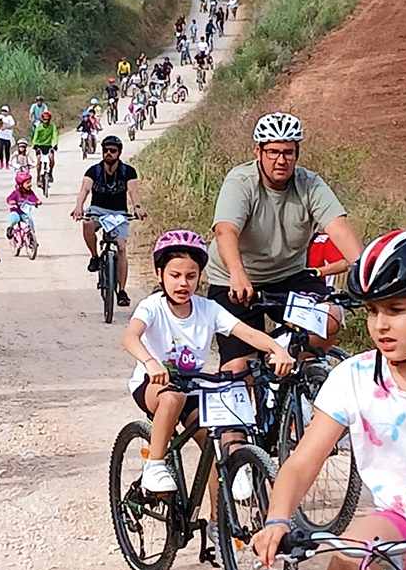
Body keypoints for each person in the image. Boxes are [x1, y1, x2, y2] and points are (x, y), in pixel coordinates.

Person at [253, 229, 406, 570]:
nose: (381, 325)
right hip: (400, 518)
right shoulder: (354, 376)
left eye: (395, 309)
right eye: (372, 311)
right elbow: (301, 463)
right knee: (351, 563)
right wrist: (278, 518)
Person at [123, 231, 293, 543]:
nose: (182, 283)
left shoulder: (207, 308)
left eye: (191, 276)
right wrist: (149, 362)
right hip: (154, 385)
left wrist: (276, 349)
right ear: (160, 275)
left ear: (200, 277)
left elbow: (246, 332)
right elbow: (130, 336)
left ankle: (218, 522)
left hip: (193, 389)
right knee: (172, 396)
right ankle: (154, 465)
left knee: (217, 447)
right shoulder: (152, 307)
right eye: (175, 275)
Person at [206, 112, 363, 377]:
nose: (281, 160)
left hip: (288, 277)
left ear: (296, 154)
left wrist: (367, 276)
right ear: (258, 152)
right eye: (273, 152)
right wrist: (237, 273)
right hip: (235, 281)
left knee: (330, 318)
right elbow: (226, 230)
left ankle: (291, 373)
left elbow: (339, 228)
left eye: (288, 152)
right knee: (239, 368)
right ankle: (259, 366)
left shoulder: (309, 184)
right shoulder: (241, 182)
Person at [71, 135, 146, 307]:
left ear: (119, 153)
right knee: (87, 223)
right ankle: (95, 256)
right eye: (106, 150)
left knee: (121, 248)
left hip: (119, 213)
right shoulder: (94, 171)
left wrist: (138, 207)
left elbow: (133, 191)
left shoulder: (128, 171)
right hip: (98, 210)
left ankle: (122, 290)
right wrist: (79, 206)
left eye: (113, 151)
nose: (109, 154)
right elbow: (85, 189)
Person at [6, 171, 41, 239]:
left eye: (30, 182)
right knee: (15, 219)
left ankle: (32, 236)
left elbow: (34, 198)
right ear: (21, 185)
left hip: (24, 213)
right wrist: (11, 201)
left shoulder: (30, 193)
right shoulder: (16, 193)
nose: (30, 184)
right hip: (16, 211)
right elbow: (9, 198)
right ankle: (10, 228)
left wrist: (37, 201)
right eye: (27, 183)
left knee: (29, 221)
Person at [31, 110, 58, 186]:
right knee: (39, 161)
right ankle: (38, 176)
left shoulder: (52, 126)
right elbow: (35, 136)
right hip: (39, 145)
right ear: (42, 120)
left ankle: (50, 172)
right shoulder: (39, 127)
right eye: (44, 119)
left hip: (48, 145)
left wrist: (55, 144)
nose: (46, 121)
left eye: (47, 119)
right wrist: (35, 144)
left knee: (51, 158)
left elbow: (55, 135)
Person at [0, 105, 16, 170]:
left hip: (7, 136)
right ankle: (1, 162)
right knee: (0, 149)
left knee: (7, 150)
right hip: (0, 135)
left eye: (5, 111)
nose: (4, 112)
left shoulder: (10, 117)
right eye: (2, 111)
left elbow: (12, 125)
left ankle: (7, 163)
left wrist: (5, 127)